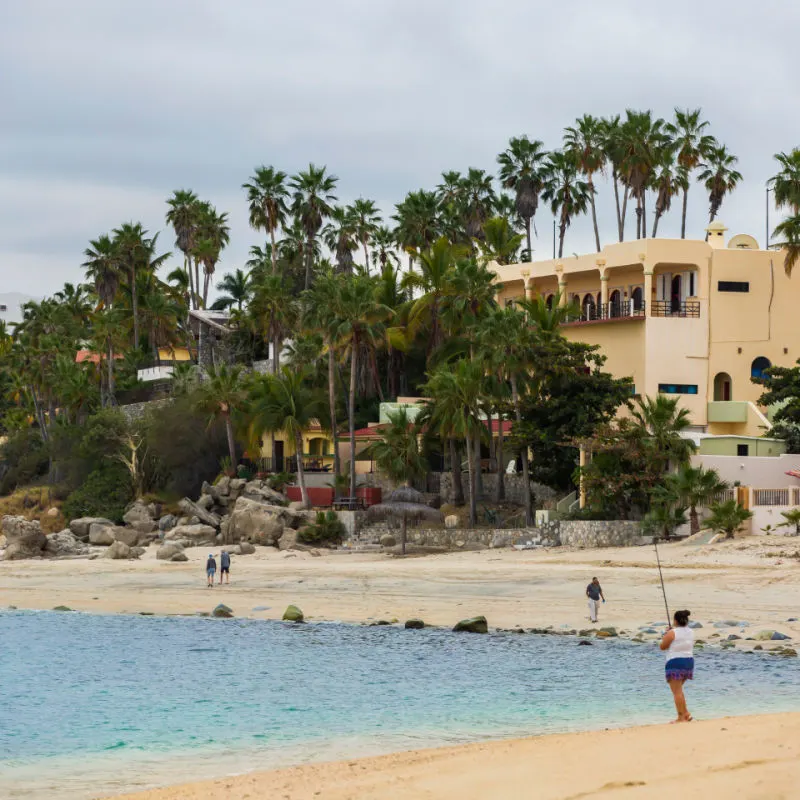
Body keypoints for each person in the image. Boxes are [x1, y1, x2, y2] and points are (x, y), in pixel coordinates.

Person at [660, 609, 694, 723]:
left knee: (677, 692)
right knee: (679, 690)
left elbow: (663, 646)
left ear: (675, 620)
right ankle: (686, 714)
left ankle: (680, 718)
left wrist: (666, 634)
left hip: (675, 662)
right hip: (689, 662)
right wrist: (671, 632)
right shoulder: (691, 631)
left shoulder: (672, 633)